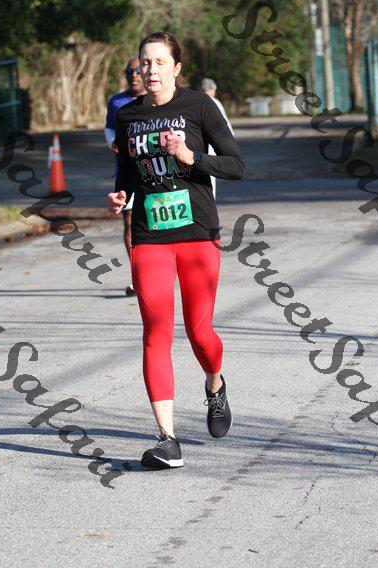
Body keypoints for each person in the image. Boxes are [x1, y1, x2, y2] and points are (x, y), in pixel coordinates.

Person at [107, 31, 245, 470]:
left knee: (200, 332)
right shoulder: (128, 116)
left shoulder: (199, 106)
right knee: (155, 331)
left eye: (159, 62)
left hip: (197, 233)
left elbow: (236, 165)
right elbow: (127, 172)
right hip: (149, 236)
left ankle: (214, 383)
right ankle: (167, 439)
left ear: (176, 68)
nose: (150, 70)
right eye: (144, 63)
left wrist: (191, 157)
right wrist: (120, 195)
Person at [105, 57, 146, 296]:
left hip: (154, 172)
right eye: (129, 71)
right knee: (129, 221)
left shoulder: (156, 99)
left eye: (137, 70)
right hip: (127, 172)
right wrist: (114, 142)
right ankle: (137, 276)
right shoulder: (116, 102)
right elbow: (110, 128)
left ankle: (159, 271)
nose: (133, 75)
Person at [200, 78, 235, 200]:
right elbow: (225, 125)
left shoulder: (197, 101)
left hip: (200, 146)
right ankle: (210, 201)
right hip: (211, 146)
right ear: (211, 90)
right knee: (210, 177)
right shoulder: (213, 102)